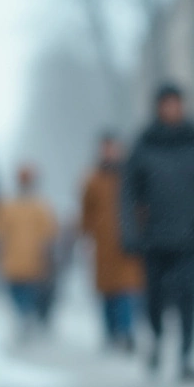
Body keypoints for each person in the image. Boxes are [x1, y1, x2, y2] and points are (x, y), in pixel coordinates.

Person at [121, 84, 194, 383]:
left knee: (189, 298)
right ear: (158, 107)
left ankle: (187, 356)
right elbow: (128, 194)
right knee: (154, 298)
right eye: (167, 103)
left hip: (190, 235)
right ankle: (156, 340)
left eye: (176, 103)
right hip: (153, 237)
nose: (172, 109)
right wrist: (130, 232)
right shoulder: (144, 143)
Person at [80, 133, 145, 352]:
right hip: (103, 244)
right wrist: (87, 235)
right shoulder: (92, 180)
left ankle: (126, 332)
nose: (110, 153)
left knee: (127, 290)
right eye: (106, 148)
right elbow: (86, 212)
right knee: (107, 292)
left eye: (113, 148)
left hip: (127, 241)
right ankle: (110, 334)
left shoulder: (130, 175)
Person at [0, 166, 59, 338]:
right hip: (16, 259)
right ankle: (24, 315)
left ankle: (25, 315)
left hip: (28, 259)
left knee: (25, 290)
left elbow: (49, 231)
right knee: (18, 290)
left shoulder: (38, 205)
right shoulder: (11, 205)